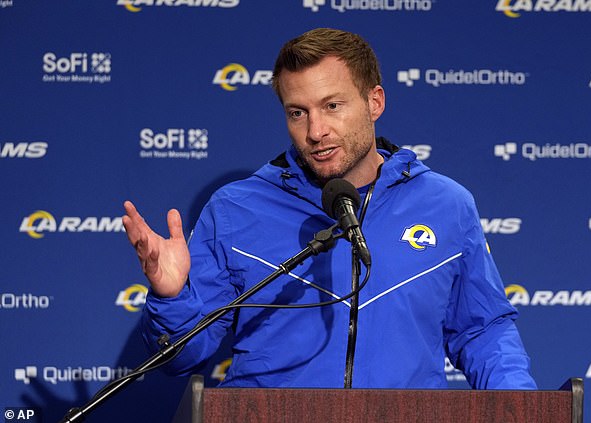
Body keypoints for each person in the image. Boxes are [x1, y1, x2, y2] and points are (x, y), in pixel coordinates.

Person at [123, 28, 537, 389]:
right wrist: (171, 297)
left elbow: (482, 332)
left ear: (375, 102)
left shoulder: (446, 205)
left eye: (332, 106)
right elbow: (182, 356)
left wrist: (521, 409)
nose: (316, 131)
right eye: (297, 113)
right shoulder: (235, 210)